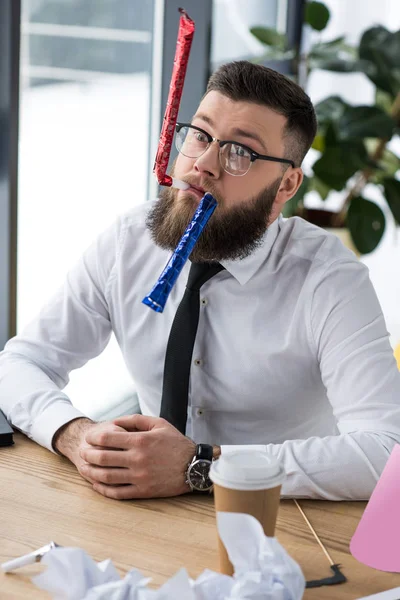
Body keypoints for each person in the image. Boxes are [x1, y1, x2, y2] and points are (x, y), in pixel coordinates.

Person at [1, 61, 400, 502]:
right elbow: (18, 364)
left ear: (286, 185)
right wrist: (75, 435)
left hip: (277, 521)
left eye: (240, 153)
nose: (205, 165)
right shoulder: (127, 243)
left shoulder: (330, 280)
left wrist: (204, 466)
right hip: (139, 512)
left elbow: (388, 452)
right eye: (200, 135)